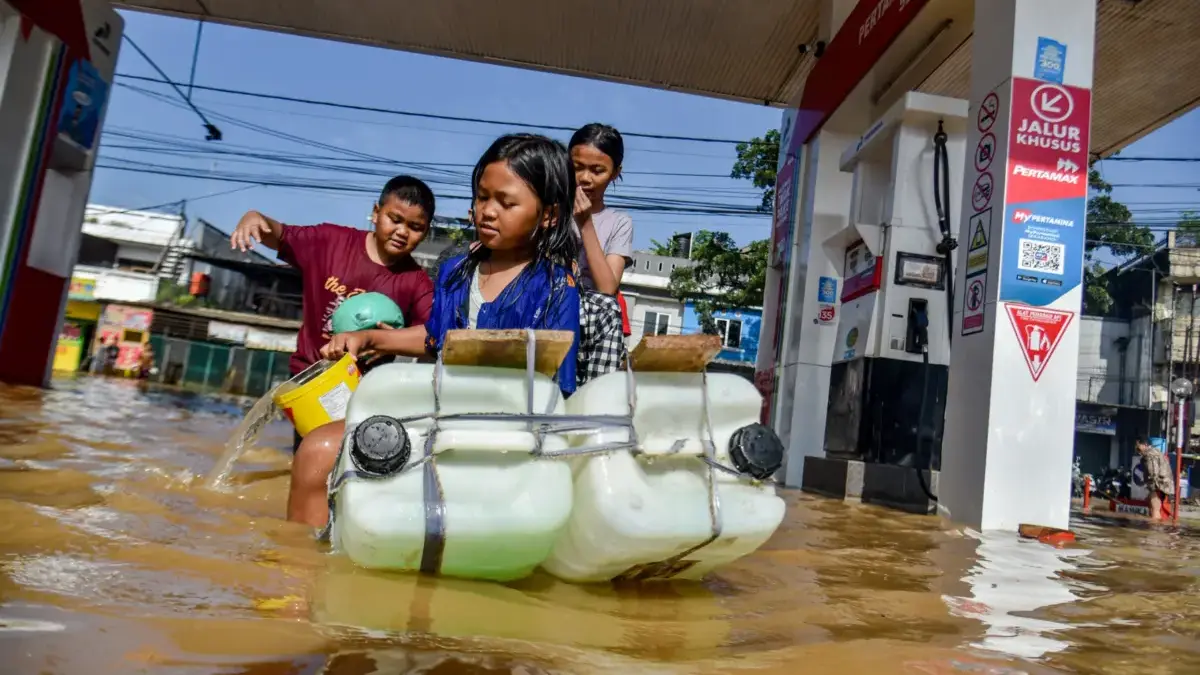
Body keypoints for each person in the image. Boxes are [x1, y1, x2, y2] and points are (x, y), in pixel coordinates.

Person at [286, 133, 581, 528]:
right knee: (317, 449)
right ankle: (297, 572)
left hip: (503, 435)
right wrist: (371, 338)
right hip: (435, 416)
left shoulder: (558, 288)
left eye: (506, 203)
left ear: (548, 215)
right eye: (482, 197)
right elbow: (435, 340)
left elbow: (555, 388)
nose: (488, 212)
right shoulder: (456, 271)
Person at [229, 175, 437, 454]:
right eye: (394, 219)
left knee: (351, 478)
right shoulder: (330, 242)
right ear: (376, 213)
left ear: (425, 231)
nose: (402, 231)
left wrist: (387, 339)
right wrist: (253, 216)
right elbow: (279, 235)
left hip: (368, 397)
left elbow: (433, 338)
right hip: (311, 384)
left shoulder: (416, 282)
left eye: (415, 227)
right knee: (308, 466)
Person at [569, 123, 633, 384]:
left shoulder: (619, 222)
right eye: (577, 167)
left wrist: (585, 224)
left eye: (598, 171)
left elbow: (607, 288)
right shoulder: (548, 211)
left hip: (592, 326)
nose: (585, 178)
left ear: (615, 173)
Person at [1135, 438, 1175, 520]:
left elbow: (1153, 473)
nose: (1137, 450)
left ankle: (1154, 529)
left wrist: (1152, 486)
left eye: (1138, 448)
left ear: (1145, 445)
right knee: (1151, 503)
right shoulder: (1154, 452)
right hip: (1164, 483)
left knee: (1155, 507)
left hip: (1159, 484)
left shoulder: (1149, 455)